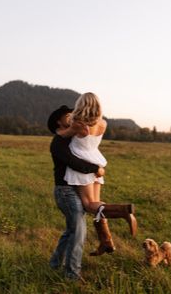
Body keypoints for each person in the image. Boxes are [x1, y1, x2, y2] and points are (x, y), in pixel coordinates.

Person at [47, 105, 115, 282]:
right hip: (66, 191)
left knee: (71, 231)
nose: (71, 118)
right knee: (78, 233)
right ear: (59, 121)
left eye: (72, 115)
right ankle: (72, 275)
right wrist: (96, 169)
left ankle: (54, 263)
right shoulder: (58, 142)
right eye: (68, 116)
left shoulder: (71, 138)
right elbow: (74, 162)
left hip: (75, 188)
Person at [56, 93, 137, 239]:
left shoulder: (78, 125)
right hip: (96, 161)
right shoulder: (103, 124)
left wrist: (60, 128)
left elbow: (62, 135)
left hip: (83, 164)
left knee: (88, 205)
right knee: (96, 205)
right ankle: (106, 240)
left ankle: (124, 212)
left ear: (81, 105)